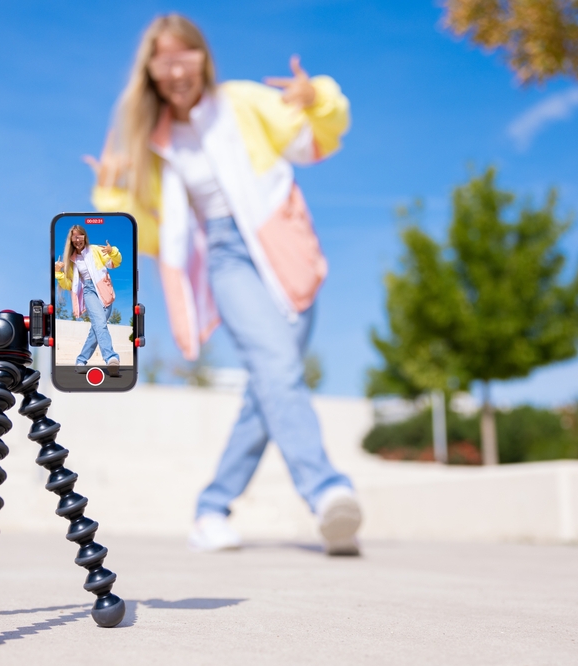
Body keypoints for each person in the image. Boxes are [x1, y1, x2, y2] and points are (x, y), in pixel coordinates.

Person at [85, 14, 361, 555]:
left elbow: (311, 142)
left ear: (202, 58)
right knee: (278, 369)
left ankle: (211, 508)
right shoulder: (153, 141)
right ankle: (328, 492)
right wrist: (114, 195)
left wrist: (317, 98)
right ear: (151, 72)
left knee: (269, 388)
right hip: (226, 257)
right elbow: (152, 232)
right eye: (163, 59)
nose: (176, 69)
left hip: (287, 248)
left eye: (184, 55)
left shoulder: (242, 102)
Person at [55, 224, 123, 367]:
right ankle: (111, 357)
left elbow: (114, 263)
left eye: (80, 236)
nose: (78, 240)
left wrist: (113, 252)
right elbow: (70, 285)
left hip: (104, 290)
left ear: (84, 237)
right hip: (89, 291)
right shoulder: (71, 260)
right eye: (75, 237)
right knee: (100, 323)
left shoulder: (96, 250)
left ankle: (80, 361)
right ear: (71, 240)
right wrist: (59, 273)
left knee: (97, 327)